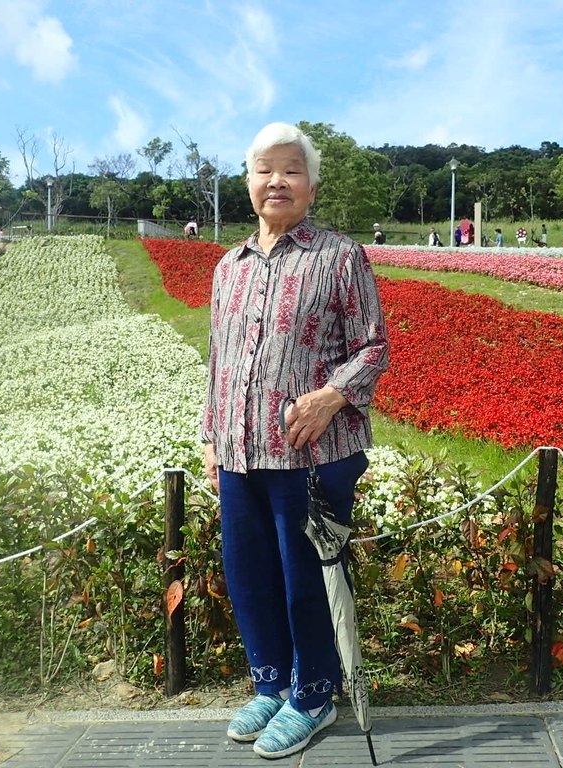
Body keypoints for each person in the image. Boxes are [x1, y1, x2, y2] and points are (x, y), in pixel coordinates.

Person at [201, 122, 389, 760]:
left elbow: (373, 345)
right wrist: (210, 437)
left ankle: (313, 694)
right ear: (248, 182)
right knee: (248, 571)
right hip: (238, 450)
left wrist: (333, 395)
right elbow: (218, 359)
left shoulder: (338, 256)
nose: (276, 180)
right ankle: (271, 682)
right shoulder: (229, 266)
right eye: (264, 169)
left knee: (305, 572)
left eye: (291, 169)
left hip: (313, 455)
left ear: (310, 185)